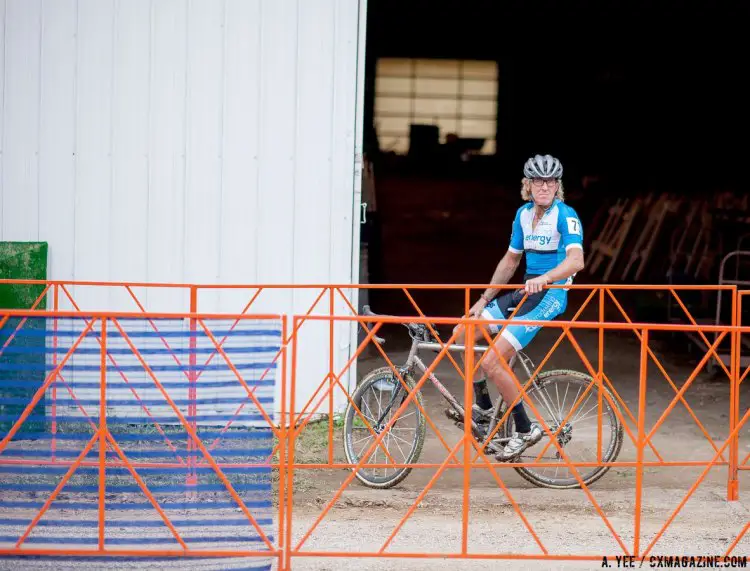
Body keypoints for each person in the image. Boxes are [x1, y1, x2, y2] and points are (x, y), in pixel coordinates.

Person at [453, 154, 585, 461]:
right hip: (525, 291)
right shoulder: (524, 215)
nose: (544, 187)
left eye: (550, 182)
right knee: (463, 333)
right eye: (538, 181)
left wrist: (547, 278)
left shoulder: (566, 215)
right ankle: (485, 409)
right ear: (528, 185)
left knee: (491, 361)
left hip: (550, 295)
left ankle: (526, 429)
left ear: (557, 186)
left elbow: (576, 260)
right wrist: (484, 299)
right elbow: (511, 260)